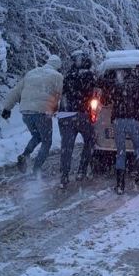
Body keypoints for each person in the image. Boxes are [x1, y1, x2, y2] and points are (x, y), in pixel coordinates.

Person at [1, 55, 63, 176]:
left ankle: (25, 155)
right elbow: (60, 95)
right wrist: (58, 109)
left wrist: (7, 108)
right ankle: (37, 170)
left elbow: (16, 91)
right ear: (58, 67)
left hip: (26, 112)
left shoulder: (31, 73)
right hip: (42, 113)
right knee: (46, 141)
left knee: (37, 136)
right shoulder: (57, 76)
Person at [56, 51, 98, 189]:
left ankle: (64, 175)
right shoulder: (89, 76)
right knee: (90, 140)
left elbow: (62, 94)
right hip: (82, 114)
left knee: (66, 147)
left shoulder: (67, 76)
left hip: (66, 115)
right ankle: (82, 170)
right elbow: (94, 93)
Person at [110, 68, 139, 194]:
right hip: (134, 120)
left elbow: (108, 98)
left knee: (120, 152)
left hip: (118, 121)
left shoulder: (117, 86)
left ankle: (120, 185)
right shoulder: (138, 86)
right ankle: (137, 174)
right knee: (138, 148)